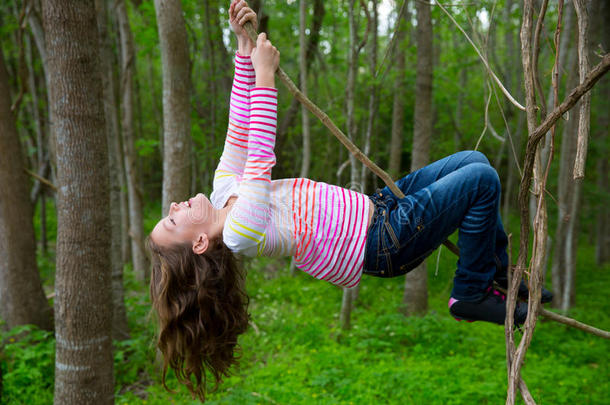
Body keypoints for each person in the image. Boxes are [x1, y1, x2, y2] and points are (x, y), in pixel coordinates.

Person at [147, 0, 552, 400]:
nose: (173, 207)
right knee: (482, 179)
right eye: (172, 222)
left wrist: (243, 49)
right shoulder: (239, 233)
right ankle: (469, 291)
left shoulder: (223, 193)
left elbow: (239, 127)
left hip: (380, 208)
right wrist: (265, 78)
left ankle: (496, 272)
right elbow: (259, 155)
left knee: (473, 160)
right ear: (199, 243)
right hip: (384, 242)